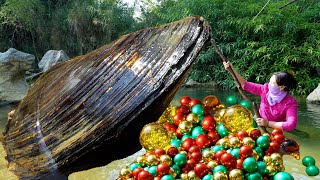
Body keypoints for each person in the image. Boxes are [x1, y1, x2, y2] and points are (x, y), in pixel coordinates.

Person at [223, 61, 298, 131]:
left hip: (275, 128)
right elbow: (244, 85)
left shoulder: (290, 102)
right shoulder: (265, 89)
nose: (269, 84)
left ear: (282, 87)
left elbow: (291, 125)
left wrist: (268, 123)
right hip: (258, 122)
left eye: (272, 83)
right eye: (270, 81)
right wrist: (231, 69)